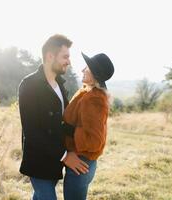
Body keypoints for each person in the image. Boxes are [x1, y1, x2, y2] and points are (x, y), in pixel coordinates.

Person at [18, 34, 89, 200]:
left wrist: (85, 135)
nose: (69, 61)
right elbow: (32, 132)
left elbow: (62, 122)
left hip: (55, 160)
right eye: (65, 56)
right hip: (39, 160)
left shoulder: (60, 85)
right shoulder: (29, 85)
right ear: (50, 56)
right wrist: (65, 155)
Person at [63, 52, 115, 200]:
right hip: (81, 161)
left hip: (81, 162)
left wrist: (66, 129)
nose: (82, 70)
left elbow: (93, 141)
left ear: (94, 74)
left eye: (86, 67)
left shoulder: (94, 99)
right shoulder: (87, 93)